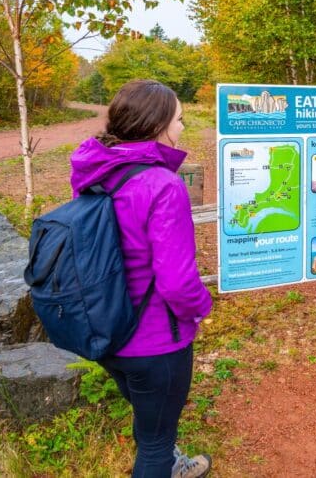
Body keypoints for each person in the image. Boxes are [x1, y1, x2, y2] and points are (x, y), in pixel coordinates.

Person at [70, 79, 214, 478]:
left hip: (105, 330)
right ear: (158, 125)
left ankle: (171, 461)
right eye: (180, 119)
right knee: (155, 442)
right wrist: (203, 309)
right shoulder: (163, 185)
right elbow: (177, 283)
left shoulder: (96, 172)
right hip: (154, 341)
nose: (183, 128)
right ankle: (166, 464)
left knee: (150, 420)